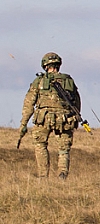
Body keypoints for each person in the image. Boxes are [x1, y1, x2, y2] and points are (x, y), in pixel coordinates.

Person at [19, 52, 82, 180]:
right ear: (58, 65)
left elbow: (29, 103)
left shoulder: (39, 81)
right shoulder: (68, 80)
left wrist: (23, 124)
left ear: (45, 65)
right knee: (64, 149)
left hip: (44, 118)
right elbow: (77, 102)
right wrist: (76, 118)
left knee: (40, 144)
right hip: (65, 118)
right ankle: (62, 174)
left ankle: (43, 176)